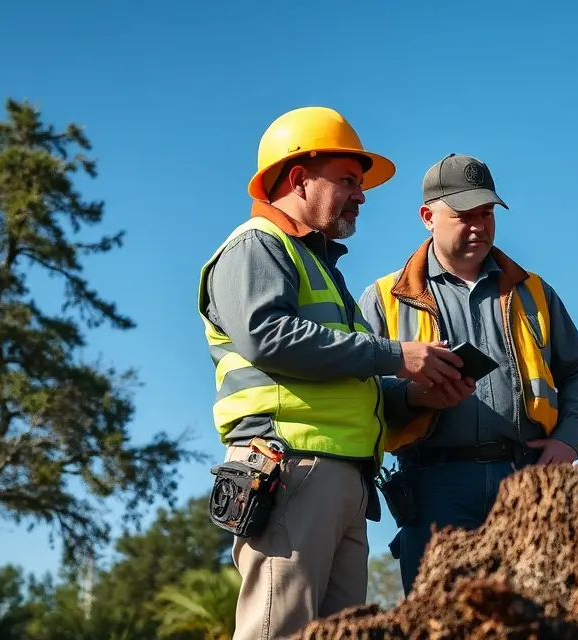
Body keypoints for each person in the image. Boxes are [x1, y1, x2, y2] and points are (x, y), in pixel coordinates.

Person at [197, 107, 473, 640]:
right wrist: (398, 355)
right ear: (298, 178)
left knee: (337, 634)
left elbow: (350, 379)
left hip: (338, 477)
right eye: (348, 180)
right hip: (290, 467)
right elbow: (268, 338)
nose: (361, 195)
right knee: (278, 631)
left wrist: (418, 397)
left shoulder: (318, 265)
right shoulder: (255, 245)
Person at [358, 153, 578, 593]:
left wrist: (569, 439)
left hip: (528, 480)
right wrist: (412, 398)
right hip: (433, 486)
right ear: (427, 217)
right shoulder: (382, 298)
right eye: (463, 215)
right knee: (442, 620)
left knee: (538, 617)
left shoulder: (534, 291)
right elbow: (361, 395)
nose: (479, 226)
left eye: (486, 213)